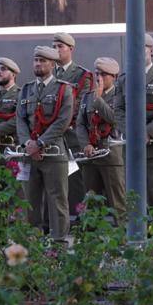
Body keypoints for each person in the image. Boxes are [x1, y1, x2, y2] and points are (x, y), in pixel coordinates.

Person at [112, 34, 153, 230]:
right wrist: (133, 134)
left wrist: (148, 133)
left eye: (142, 49)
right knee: (134, 196)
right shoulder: (124, 79)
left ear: (150, 50)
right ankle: (137, 236)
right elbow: (119, 110)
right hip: (132, 147)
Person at [16, 45, 75, 242]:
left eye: (42, 61)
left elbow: (63, 121)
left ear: (52, 64)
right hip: (29, 154)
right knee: (30, 201)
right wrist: (27, 144)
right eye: (36, 60)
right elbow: (20, 120)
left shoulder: (63, 89)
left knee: (57, 200)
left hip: (53, 153)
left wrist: (39, 143)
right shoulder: (25, 90)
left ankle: (58, 242)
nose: (38, 64)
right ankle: (33, 240)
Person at [75, 57, 125, 216]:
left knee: (117, 201)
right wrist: (85, 144)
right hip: (91, 155)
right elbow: (81, 124)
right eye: (97, 73)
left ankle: (124, 236)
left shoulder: (121, 96)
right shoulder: (87, 96)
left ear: (114, 77)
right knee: (91, 201)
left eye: (104, 74)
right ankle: (90, 237)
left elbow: (116, 119)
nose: (99, 78)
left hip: (111, 155)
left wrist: (98, 100)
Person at [52, 32, 92, 211]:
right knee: (54, 181)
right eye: (54, 47)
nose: (56, 50)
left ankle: (85, 221)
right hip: (52, 136)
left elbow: (82, 104)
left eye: (60, 46)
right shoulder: (48, 73)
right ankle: (58, 220)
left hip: (73, 134)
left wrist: (60, 119)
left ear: (71, 49)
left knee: (78, 181)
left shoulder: (82, 75)